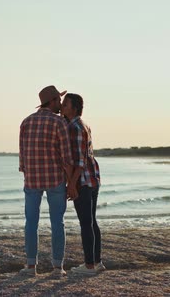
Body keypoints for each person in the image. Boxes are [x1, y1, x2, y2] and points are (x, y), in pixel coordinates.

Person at [19, 85, 73, 276]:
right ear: (51, 102)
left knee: (31, 223)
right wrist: (71, 183)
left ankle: (31, 266)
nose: (60, 104)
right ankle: (57, 267)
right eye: (58, 100)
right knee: (57, 222)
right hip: (55, 179)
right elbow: (66, 157)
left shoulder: (26, 122)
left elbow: (22, 157)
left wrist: (27, 173)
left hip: (32, 180)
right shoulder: (59, 123)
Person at [61, 93, 105, 275]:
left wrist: (71, 184)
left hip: (84, 180)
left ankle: (89, 266)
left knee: (86, 223)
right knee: (92, 221)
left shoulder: (75, 128)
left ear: (74, 108)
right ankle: (97, 262)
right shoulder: (81, 124)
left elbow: (79, 161)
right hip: (93, 178)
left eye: (65, 104)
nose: (62, 106)